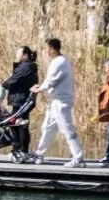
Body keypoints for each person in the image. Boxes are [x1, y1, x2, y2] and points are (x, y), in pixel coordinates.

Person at [30, 38, 84, 167]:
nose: (45, 51)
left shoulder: (59, 62)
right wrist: (41, 87)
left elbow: (51, 81)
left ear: (52, 49)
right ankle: (39, 154)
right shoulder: (61, 61)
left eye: (46, 49)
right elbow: (51, 80)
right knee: (47, 128)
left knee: (67, 129)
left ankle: (78, 158)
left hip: (61, 101)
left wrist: (39, 89)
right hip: (55, 101)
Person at [0, 46, 38, 162]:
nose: (16, 55)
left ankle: (22, 151)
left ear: (25, 55)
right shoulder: (25, 66)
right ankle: (18, 150)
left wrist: (3, 85)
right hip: (20, 99)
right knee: (15, 124)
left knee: (20, 125)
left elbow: (16, 79)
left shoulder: (26, 66)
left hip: (22, 99)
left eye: (18, 53)